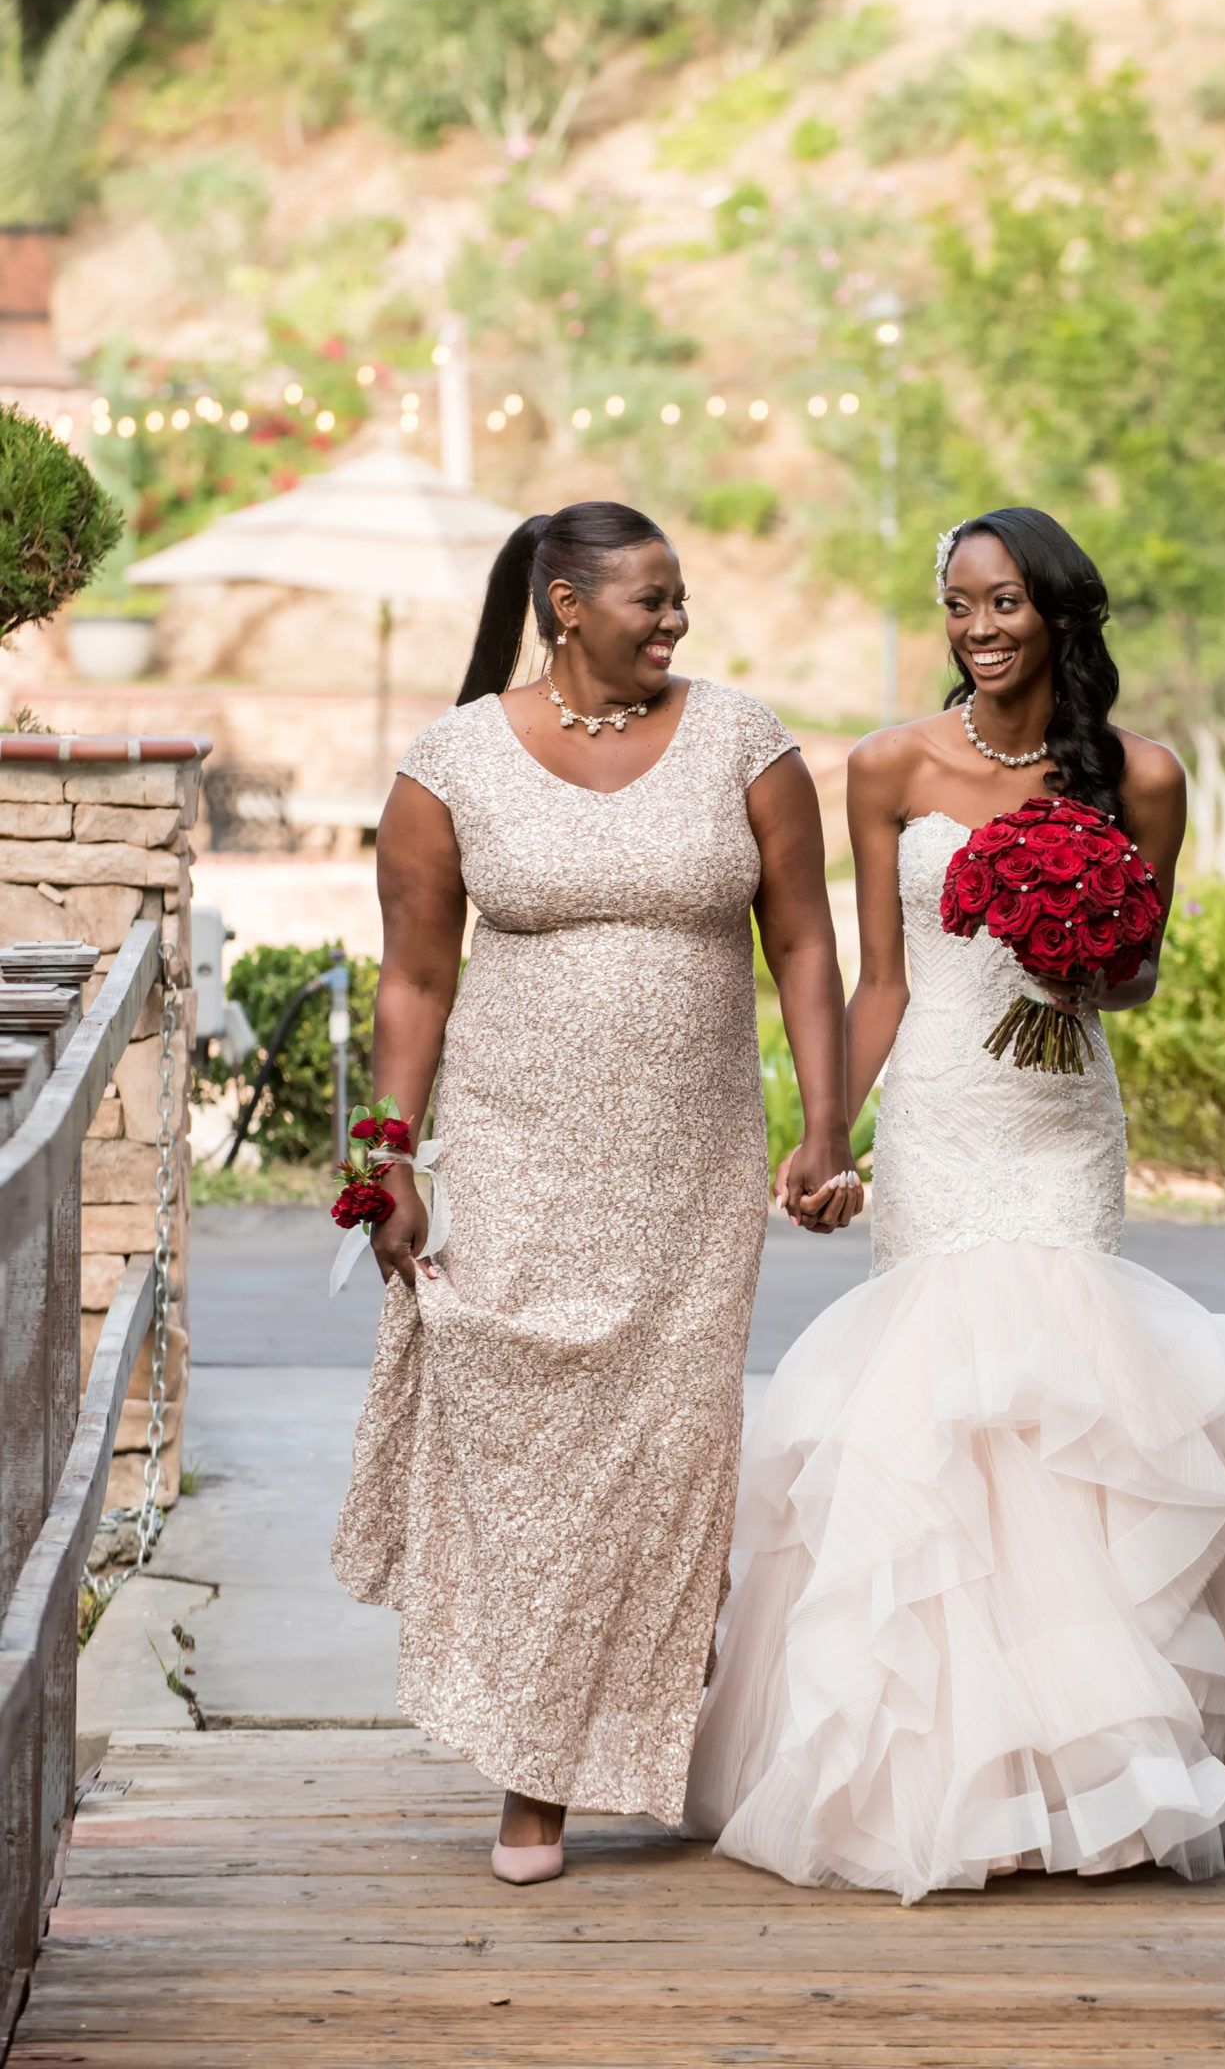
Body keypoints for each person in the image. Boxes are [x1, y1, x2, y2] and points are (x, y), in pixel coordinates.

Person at [686, 506, 1225, 1902]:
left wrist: (1083, 962)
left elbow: (1143, 978)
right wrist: (825, 1133)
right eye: (956, 605)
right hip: (942, 1110)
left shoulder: (1145, 776)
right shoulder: (886, 766)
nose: (978, 629)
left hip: (1064, 1118)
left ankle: (1098, 1778)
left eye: (1002, 603)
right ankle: (957, 1786)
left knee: (1067, 1399)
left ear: (1061, 611)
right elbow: (880, 980)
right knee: (940, 1410)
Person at [332, 501, 861, 1884]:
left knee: (670, 1455)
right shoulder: (451, 763)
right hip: (516, 1160)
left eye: (681, 599)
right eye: (652, 600)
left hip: (689, 1170)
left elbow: (805, 942)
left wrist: (826, 1125)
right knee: (533, 1461)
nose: (677, 622)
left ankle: (608, 1757)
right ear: (567, 607)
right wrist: (384, 1154)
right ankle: (536, 1760)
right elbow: (415, 978)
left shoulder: (748, 743)